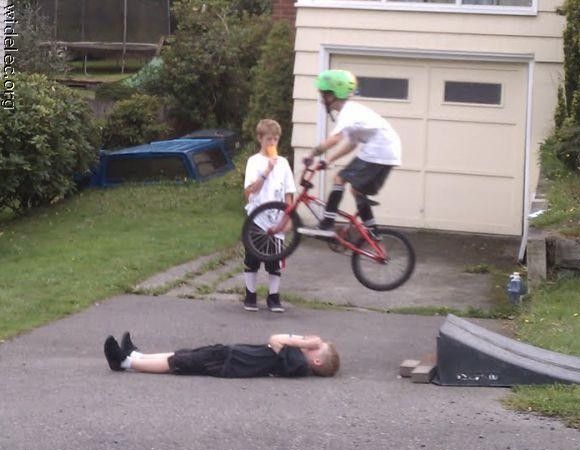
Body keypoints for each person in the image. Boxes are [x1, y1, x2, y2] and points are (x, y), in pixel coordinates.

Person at [298, 69, 402, 239]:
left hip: (379, 149)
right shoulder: (352, 112)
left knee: (339, 179)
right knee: (356, 190)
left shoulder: (348, 112)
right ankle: (373, 232)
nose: (321, 99)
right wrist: (329, 160)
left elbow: (335, 139)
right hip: (388, 150)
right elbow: (351, 144)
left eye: (323, 94)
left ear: (333, 95)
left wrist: (313, 154)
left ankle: (327, 224)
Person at [103, 332, 340, 378]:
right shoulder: (295, 360)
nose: (310, 343)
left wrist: (304, 341)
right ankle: (136, 355)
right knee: (182, 354)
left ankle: (125, 362)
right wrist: (305, 342)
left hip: (228, 362)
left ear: (316, 360)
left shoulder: (296, 362)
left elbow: (276, 339)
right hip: (229, 355)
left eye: (315, 347)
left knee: (178, 362)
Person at [242, 119, 296, 312]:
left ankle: (273, 296)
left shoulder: (284, 163)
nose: (272, 143)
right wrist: (267, 170)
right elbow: (250, 191)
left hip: (276, 219)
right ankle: (250, 294)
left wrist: (288, 217)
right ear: (260, 139)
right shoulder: (253, 161)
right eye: (269, 139)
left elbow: (289, 193)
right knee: (252, 259)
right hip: (257, 218)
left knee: (274, 261)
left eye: (275, 139)